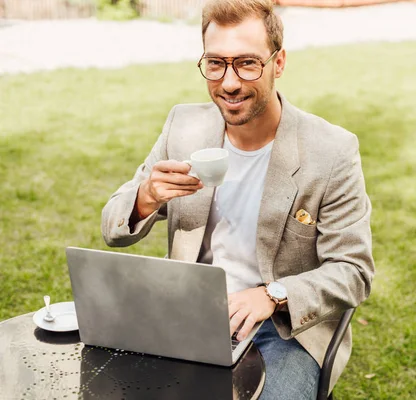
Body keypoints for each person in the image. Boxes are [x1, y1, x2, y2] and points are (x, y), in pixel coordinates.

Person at [101, 0, 374, 398]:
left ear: (278, 63)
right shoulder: (184, 126)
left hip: (285, 329)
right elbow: (113, 229)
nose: (229, 83)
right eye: (215, 63)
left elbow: (353, 271)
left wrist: (272, 295)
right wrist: (145, 198)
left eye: (247, 63)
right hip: (187, 313)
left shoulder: (330, 151)